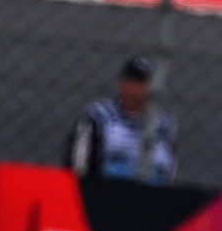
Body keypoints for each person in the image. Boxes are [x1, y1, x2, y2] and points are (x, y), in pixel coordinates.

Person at [64, 56, 178, 186]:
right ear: (122, 84)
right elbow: (78, 162)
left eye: (143, 82)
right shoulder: (100, 115)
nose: (138, 87)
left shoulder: (165, 124)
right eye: (133, 81)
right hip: (109, 188)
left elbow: (170, 168)